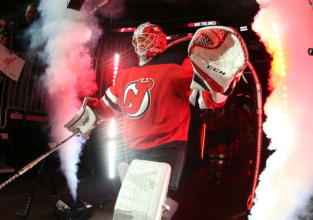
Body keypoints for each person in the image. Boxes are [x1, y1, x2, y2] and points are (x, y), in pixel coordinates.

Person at [65, 22, 248, 218]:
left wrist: (222, 85)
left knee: (155, 207)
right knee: (134, 204)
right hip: (132, 148)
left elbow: (205, 100)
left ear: (161, 40)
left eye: (148, 36)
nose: (143, 41)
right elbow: (106, 106)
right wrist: (86, 120)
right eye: (140, 37)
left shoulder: (176, 67)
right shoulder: (125, 75)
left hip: (165, 147)